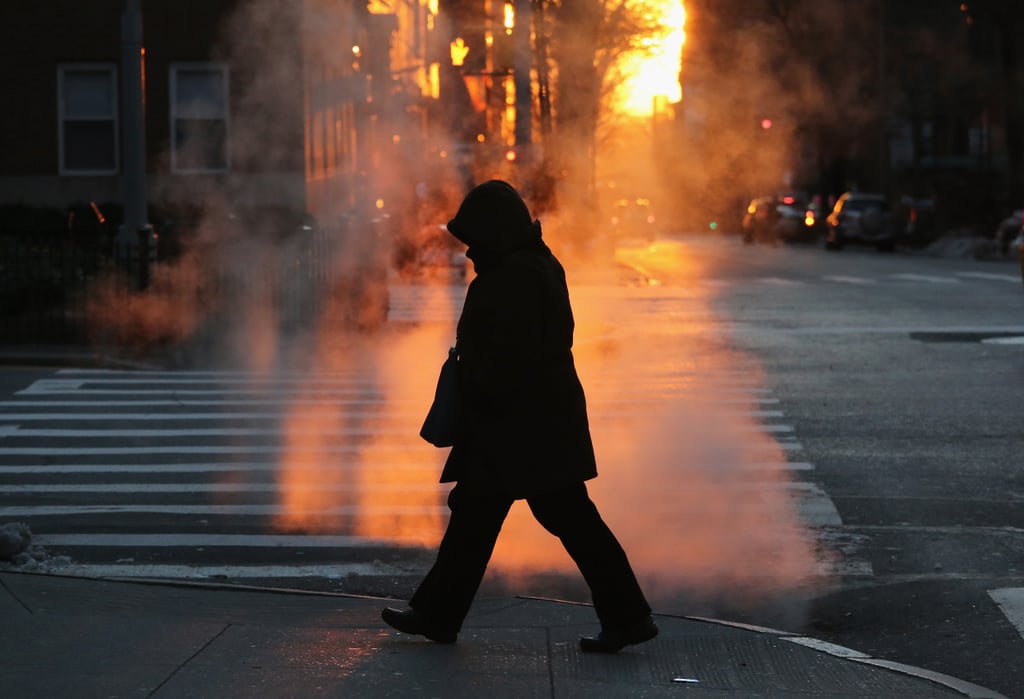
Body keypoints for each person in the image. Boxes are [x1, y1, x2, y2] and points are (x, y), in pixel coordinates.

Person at [381, 180, 657, 653]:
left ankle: (628, 615)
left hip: (519, 427)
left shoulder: (513, 276)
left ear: (494, 232)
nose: (468, 250)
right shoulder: (531, 265)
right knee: (495, 519)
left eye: (474, 240)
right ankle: (437, 614)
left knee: (540, 519)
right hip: (531, 424)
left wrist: (474, 390)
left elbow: (503, 358)